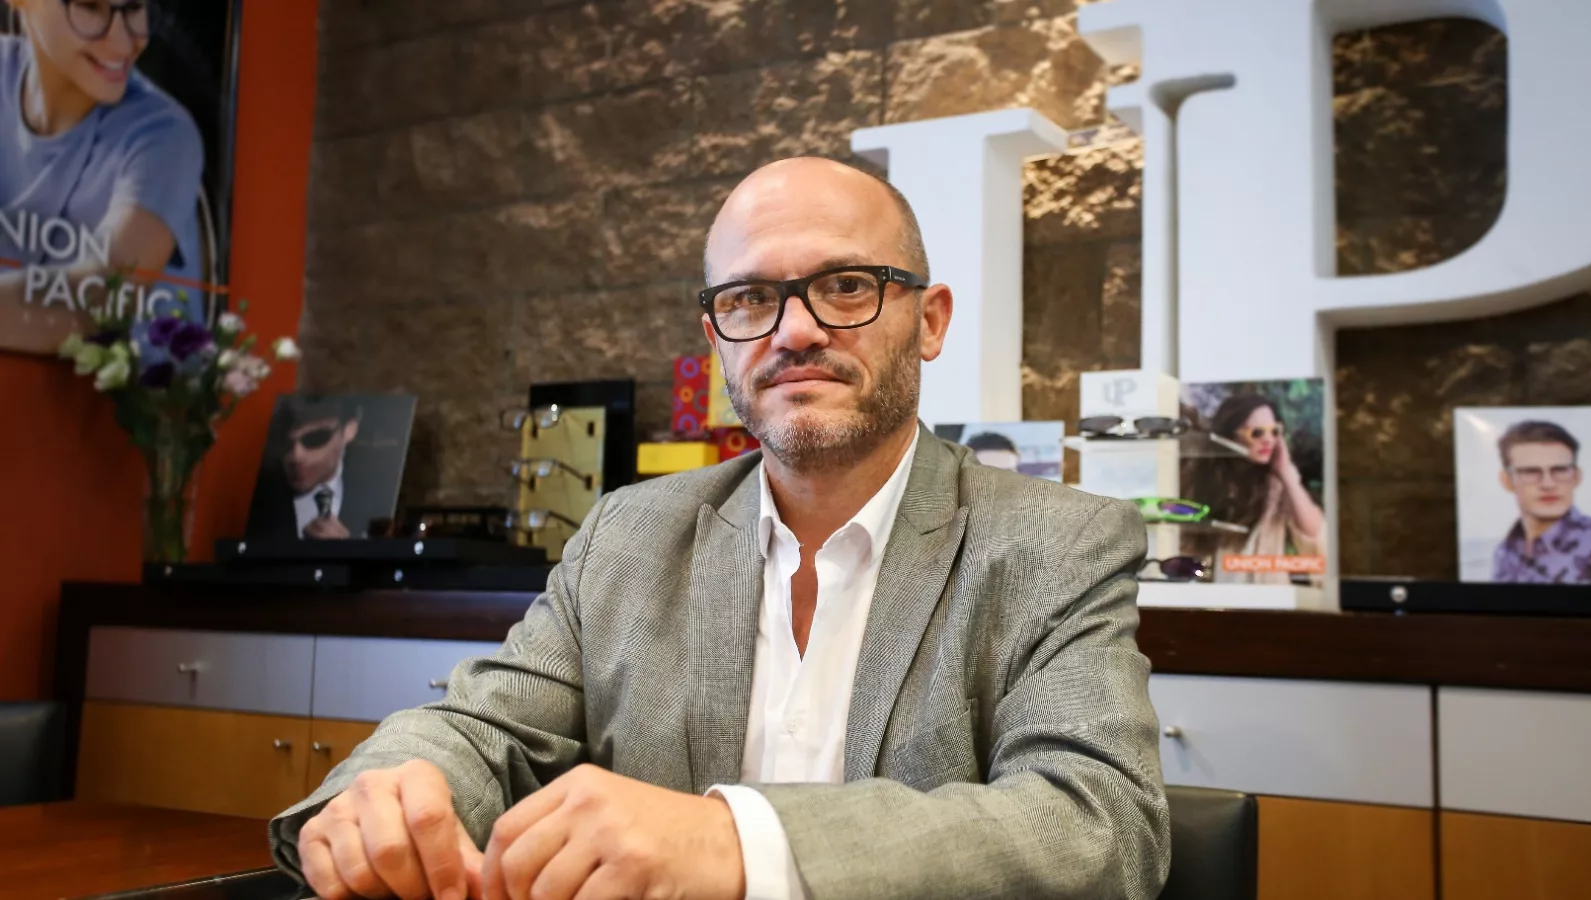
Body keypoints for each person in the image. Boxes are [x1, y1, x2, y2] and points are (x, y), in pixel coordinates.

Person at [269, 158, 1169, 900]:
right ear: (717, 338)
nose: (795, 331)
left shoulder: (1057, 543)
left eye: (846, 286)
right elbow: (480, 730)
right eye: (748, 299)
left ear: (928, 321)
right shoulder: (628, 534)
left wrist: (738, 841)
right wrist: (386, 796)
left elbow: (1098, 828)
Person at [0, 0, 206, 353]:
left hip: (125, 388)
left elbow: (100, 297)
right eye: (90, 7)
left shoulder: (164, 135)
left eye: (135, 7)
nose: (123, 42)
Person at [1184, 393, 1326, 584]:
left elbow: (1315, 537)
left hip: (1265, 593)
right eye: (1257, 433)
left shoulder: (1276, 487)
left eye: (1274, 431)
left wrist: (1288, 475)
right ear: (1231, 437)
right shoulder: (1206, 481)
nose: (1268, 440)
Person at [246, 396, 387, 541]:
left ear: (349, 430)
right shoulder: (253, 493)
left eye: (315, 438)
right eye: (284, 441)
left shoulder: (381, 487)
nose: (296, 455)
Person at [1491, 420, 1591, 583]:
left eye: (1560, 470)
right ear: (1507, 480)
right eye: (1531, 471)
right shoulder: (1505, 551)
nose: (1548, 484)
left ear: (1577, 477)